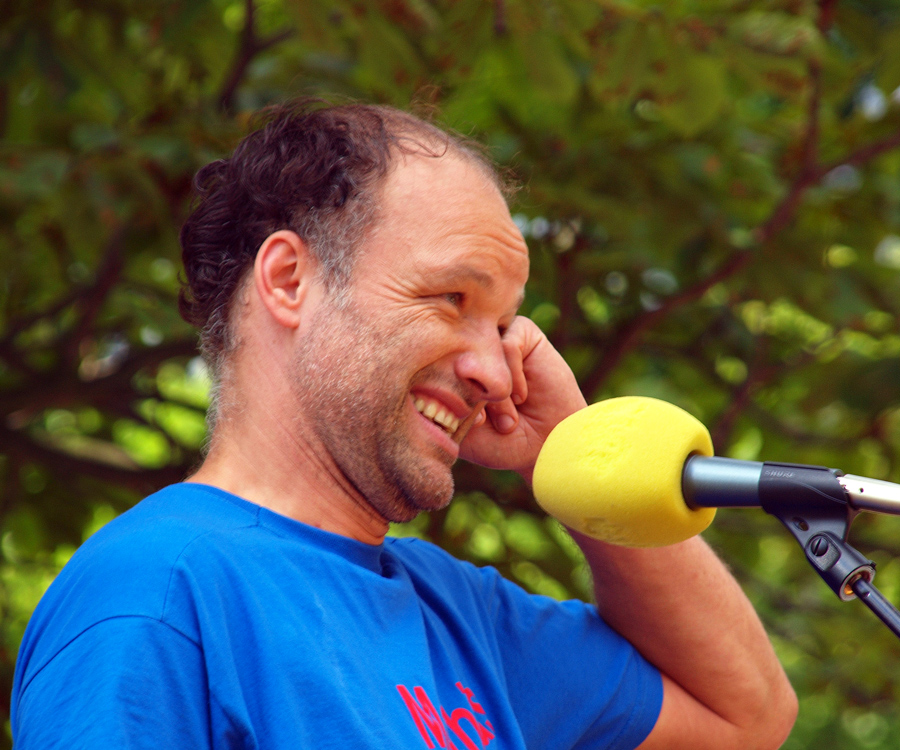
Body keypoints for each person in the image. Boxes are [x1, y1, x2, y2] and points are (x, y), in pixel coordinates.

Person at [11, 102, 797, 749]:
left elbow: (748, 717)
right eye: (452, 299)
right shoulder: (154, 594)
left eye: (504, 325)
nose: (497, 372)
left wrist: (581, 454)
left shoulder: (468, 618)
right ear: (290, 280)